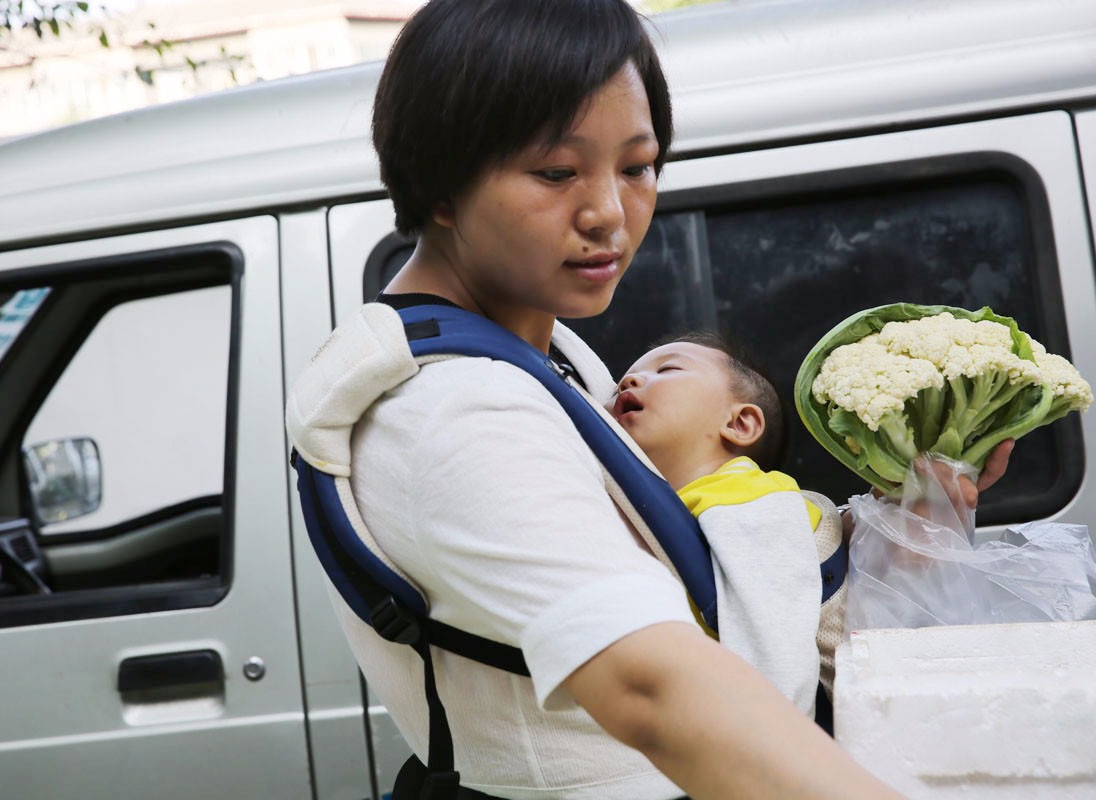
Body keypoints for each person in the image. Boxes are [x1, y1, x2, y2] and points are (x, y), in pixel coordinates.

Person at [307, 0, 1010, 797]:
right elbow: (652, 688)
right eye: (556, 172)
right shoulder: (457, 412)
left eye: (637, 167)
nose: (608, 212)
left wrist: (905, 524)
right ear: (442, 182)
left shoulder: (539, 350)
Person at [609, 333, 824, 717]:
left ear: (739, 423)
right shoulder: (663, 508)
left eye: (667, 369)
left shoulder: (749, 496)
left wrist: (766, 735)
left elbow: (774, 643)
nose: (628, 381)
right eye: (616, 387)